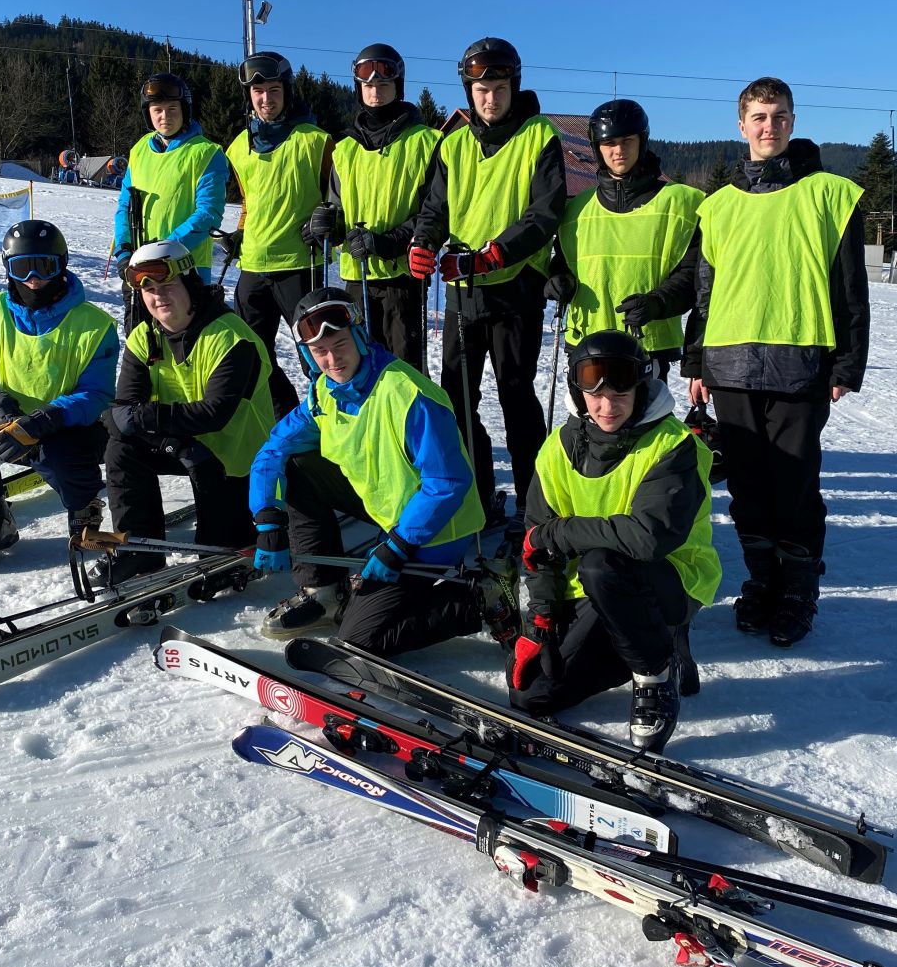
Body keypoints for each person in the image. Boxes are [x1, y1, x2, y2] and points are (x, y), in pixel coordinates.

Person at [685, 77, 869, 647]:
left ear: (793, 121)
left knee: (793, 485)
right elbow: (705, 293)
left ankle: (797, 591)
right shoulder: (716, 206)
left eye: (780, 116)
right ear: (741, 125)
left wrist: (846, 365)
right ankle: (762, 581)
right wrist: (696, 363)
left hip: (800, 365)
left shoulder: (830, 195)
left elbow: (850, 288)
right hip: (730, 366)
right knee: (747, 488)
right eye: (760, 117)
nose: (770, 126)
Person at [248, 286, 516, 652]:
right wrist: (267, 517)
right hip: (387, 507)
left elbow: (447, 482)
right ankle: (324, 589)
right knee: (297, 465)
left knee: (359, 639)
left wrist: (399, 546)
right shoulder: (325, 392)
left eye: (340, 344)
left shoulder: (408, 394)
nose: (332, 359)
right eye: (320, 351)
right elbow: (273, 450)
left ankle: (481, 597)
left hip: (437, 531)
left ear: (359, 336)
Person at [509, 332, 720, 751]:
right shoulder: (557, 448)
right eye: (596, 394)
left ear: (641, 387)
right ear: (578, 391)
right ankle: (638, 642)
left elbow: (647, 538)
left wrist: (561, 532)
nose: (608, 406)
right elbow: (537, 542)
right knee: (531, 695)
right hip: (591, 590)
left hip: (669, 580)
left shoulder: (675, 445)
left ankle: (654, 673)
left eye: (621, 392)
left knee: (602, 564)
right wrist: (542, 619)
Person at [409, 37, 566, 530]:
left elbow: (545, 212)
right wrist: (423, 242)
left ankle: (532, 505)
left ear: (513, 86)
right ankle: (476, 494)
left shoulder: (539, 135)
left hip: (515, 286)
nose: (490, 98)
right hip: (463, 288)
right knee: (457, 397)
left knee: (516, 397)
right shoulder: (453, 143)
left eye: (498, 88)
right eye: (481, 90)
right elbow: (436, 207)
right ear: (469, 92)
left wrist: (497, 252)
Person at [0, 220, 118, 574]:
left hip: (66, 425)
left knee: (62, 449)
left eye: (44, 266)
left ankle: (84, 509)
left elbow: (97, 393)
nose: (33, 278)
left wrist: (45, 419)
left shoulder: (94, 324)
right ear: (7, 267)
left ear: (61, 265)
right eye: (22, 267)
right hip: (8, 423)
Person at [97, 241, 274, 584]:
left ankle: (231, 542)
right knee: (122, 447)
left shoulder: (231, 338)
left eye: (167, 286)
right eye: (149, 290)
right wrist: (174, 443)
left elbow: (215, 414)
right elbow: (124, 411)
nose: (158, 297)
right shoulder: (144, 336)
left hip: (235, 457)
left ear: (191, 284)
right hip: (185, 445)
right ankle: (139, 549)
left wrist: (144, 419)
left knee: (220, 551)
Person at [546, 100, 703, 383]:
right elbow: (565, 263)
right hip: (587, 343)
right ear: (597, 148)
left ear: (642, 141)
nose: (618, 150)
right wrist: (560, 280)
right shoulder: (576, 208)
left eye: (627, 141)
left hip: (647, 346)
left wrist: (657, 303)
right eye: (609, 143)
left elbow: (693, 275)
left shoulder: (682, 202)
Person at [306, 43, 439, 369]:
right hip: (357, 278)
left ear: (398, 85)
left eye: (383, 83)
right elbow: (338, 209)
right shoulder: (345, 149)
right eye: (367, 84)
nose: (375, 90)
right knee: (360, 369)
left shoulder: (426, 141)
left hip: (402, 280)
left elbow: (434, 212)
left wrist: (388, 242)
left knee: (402, 372)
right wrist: (327, 226)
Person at [225, 52, 334, 419]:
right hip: (254, 265)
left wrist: (328, 218)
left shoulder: (316, 141)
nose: (266, 99)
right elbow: (248, 201)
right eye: (258, 92)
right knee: (253, 356)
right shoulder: (238, 147)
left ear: (287, 91)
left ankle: (332, 422)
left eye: (274, 90)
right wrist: (239, 234)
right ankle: (285, 419)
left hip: (299, 264)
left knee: (317, 354)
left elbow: (337, 199)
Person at [112, 74, 228, 293]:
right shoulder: (139, 150)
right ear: (148, 113)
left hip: (187, 268)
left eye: (172, 109)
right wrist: (123, 250)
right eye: (157, 110)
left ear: (184, 110)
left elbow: (208, 214)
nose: (165, 116)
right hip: (140, 267)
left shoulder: (207, 153)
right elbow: (124, 206)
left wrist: (163, 251)